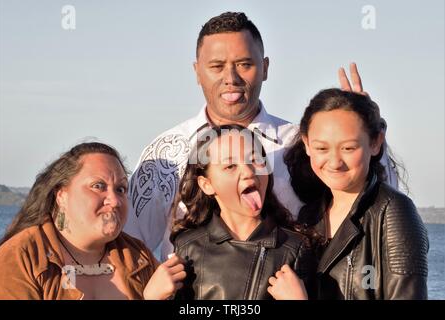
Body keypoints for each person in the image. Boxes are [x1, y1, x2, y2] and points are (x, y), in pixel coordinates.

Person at [124, 11, 397, 261]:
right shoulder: (165, 154)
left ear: (265, 67)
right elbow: (129, 247)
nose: (231, 78)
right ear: (197, 72)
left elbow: (373, 204)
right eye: (216, 66)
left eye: (244, 64)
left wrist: (365, 131)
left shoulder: (301, 144)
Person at [282, 88, 428, 299]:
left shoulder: (393, 213)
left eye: (348, 148)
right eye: (322, 148)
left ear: (376, 142)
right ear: (306, 144)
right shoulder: (308, 216)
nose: (334, 162)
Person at [0, 142, 186, 300]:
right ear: (61, 195)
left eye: (120, 189)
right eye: (98, 186)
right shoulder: (21, 259)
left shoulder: (138, 258)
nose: (114, 201)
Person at [170, 125, 313, 300]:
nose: (248, 172)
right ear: (207, 184)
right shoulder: (188, 247)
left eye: (255, 160)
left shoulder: (294, 248)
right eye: (230, 166)